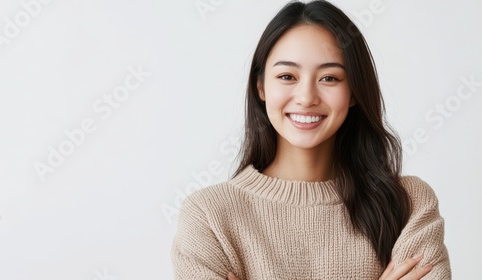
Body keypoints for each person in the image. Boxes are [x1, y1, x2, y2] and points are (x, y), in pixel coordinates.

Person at [171, 0, 451, 279]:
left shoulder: (409, 203)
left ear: (354, 91)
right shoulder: (208, 216)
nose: (306, 98)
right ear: (261, 86)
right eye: (287, 76)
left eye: (329, 78)